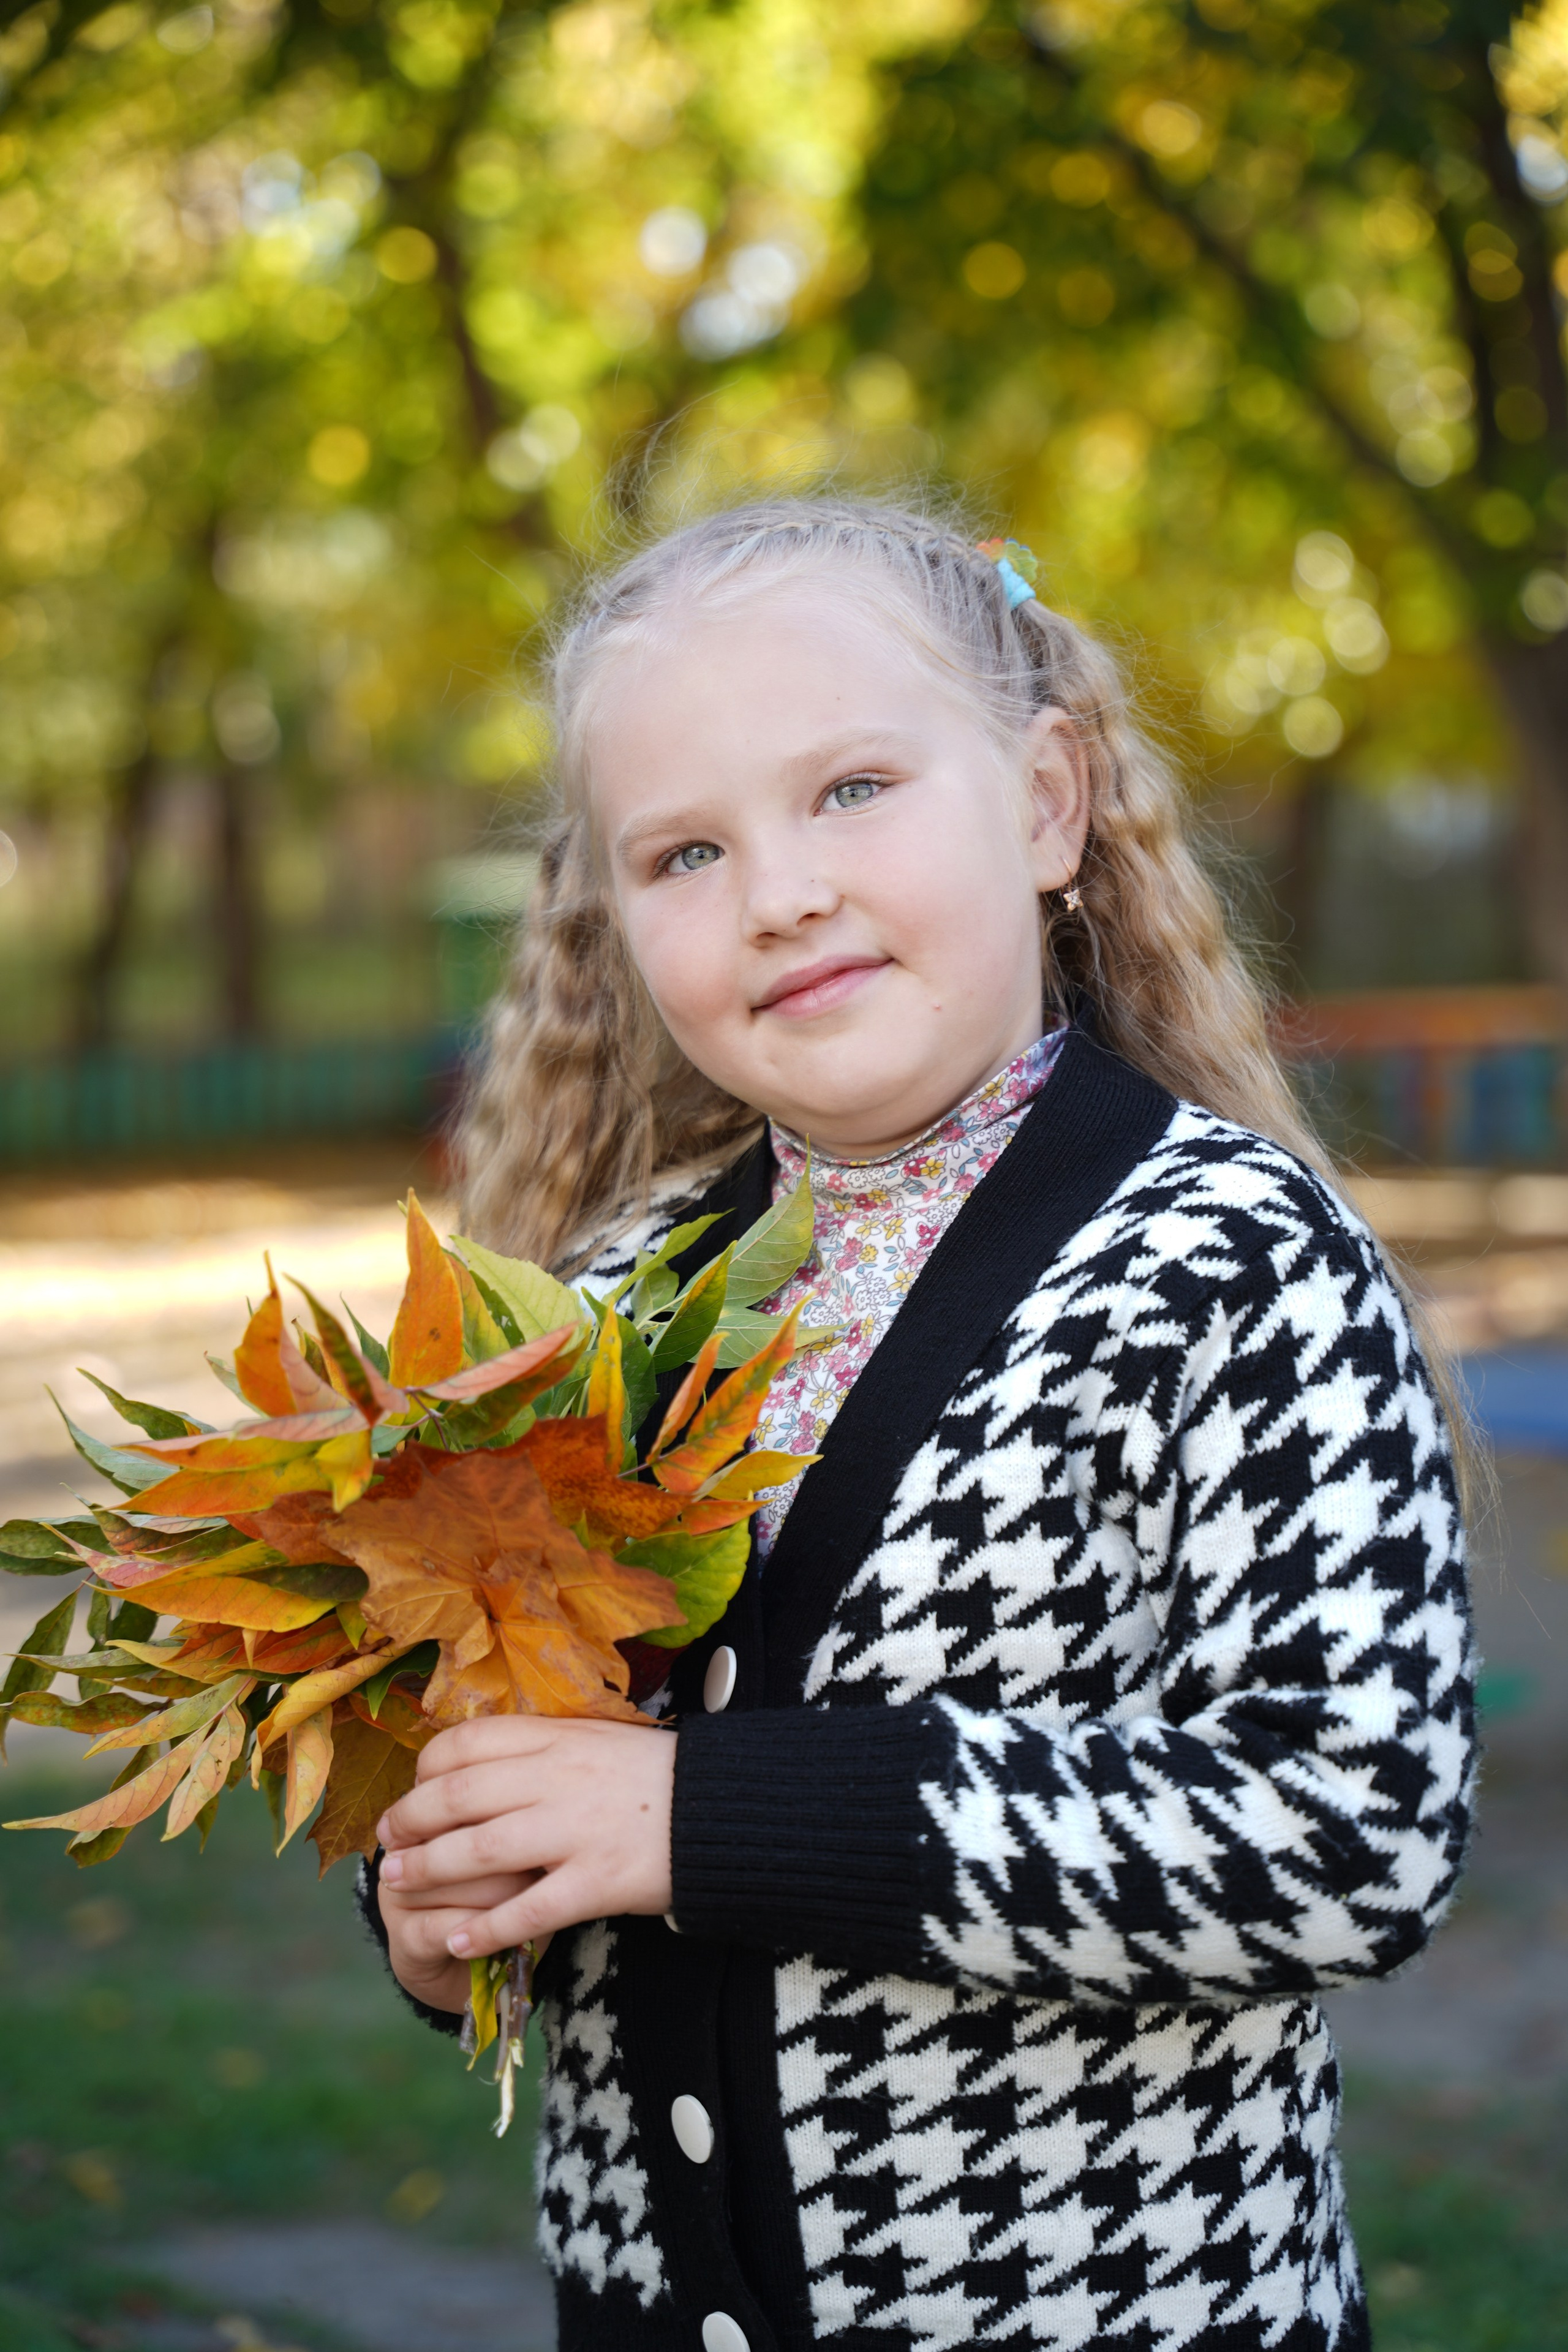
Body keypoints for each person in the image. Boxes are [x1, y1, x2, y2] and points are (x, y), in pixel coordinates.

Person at [361, 498, 1476, 2352]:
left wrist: (694, 1815)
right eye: (686, 851)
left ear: (1046, 805)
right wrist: (447, 1899)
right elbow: (536, 1758)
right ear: (617, 918)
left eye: (854, 789)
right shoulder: (613, 1303)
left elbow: (1351, 1826)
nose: (779, 891)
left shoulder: (1229, 1263)